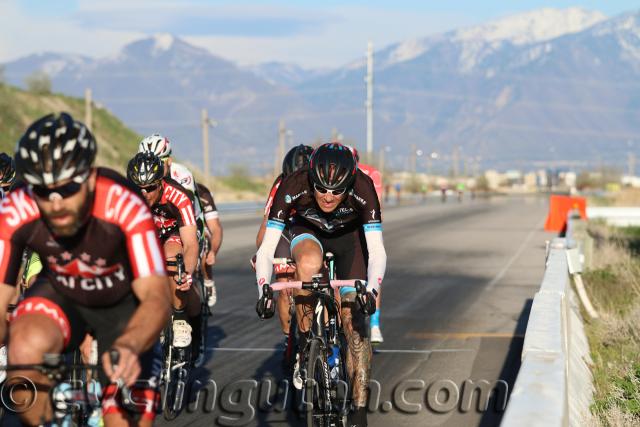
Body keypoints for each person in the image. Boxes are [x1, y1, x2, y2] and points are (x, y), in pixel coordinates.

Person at [0, 112, 172, 426]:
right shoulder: (16, 206)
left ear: (90, 178)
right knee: (23, 348)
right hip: (62, 291)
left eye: (66, 189)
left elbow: (157, 297)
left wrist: (131, 345)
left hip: (124, 303)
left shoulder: (124, 203)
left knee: (124, 412)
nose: (55, 204)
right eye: (42, 191)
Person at [255, 142, 386, 427]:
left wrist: (371, 291)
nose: (328, 197)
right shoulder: (293, 183)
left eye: (337, 191)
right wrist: (263, 289)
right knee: (308, 266)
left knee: (354, 326)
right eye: (321, 188)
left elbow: (377, 252)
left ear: (350, 183)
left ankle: (360, 410)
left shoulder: (364, 188)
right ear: (309, 177)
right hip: (308, 232)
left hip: (350, 242)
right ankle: (306, 344)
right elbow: (265, 247)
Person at [138, 134, 222, 307]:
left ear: (169, 161)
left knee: (199, 251)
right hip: (165, 220)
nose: (155, 165)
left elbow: (187, 209)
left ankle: (207, 280)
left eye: (160, 160)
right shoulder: (144, 177)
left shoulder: (182, 173)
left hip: (189, 217)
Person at [127, 151, 201, 349]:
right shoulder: (129, 196)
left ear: (161, 183)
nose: (144, 193)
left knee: (172, 257)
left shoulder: (178, 197)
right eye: (139, 188)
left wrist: (186, 273)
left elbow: (191, 244)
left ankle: (179, 319)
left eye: (150, 188)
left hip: (177, 232)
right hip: (149, 232)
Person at [255, 144, 313, 352]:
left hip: (311, 231)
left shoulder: (319, 183)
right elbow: (266, 223)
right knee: (284, 286)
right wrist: (261, 253)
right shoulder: (279, 184)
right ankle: (290, 340)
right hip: (285, 231)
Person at [348, 147, 384, 344]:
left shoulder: (371, 173)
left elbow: (377, 206)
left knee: (374, 271)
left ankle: (375, 323)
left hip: (366, 224)